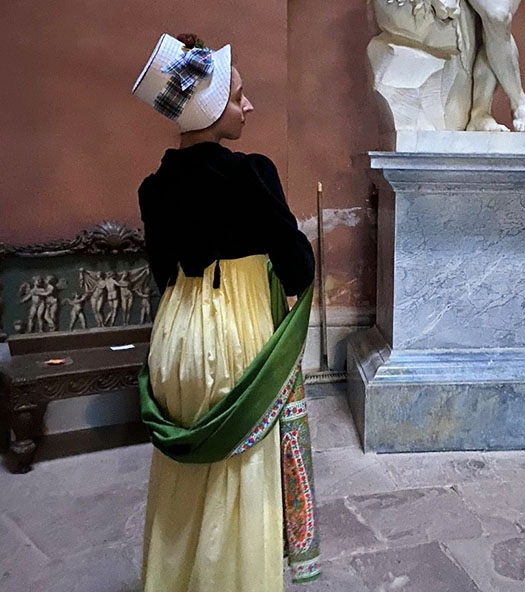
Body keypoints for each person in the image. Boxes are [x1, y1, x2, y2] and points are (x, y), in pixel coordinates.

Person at [132, 33, 319, 591]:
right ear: (213, 110)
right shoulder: (251, 173)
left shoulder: (154, 187)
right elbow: (298, 266)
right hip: (237, 334)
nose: (249, 106)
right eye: (240, 97)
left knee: (185, 477)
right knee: (241, 480)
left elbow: (163, 269)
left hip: (177, 335)